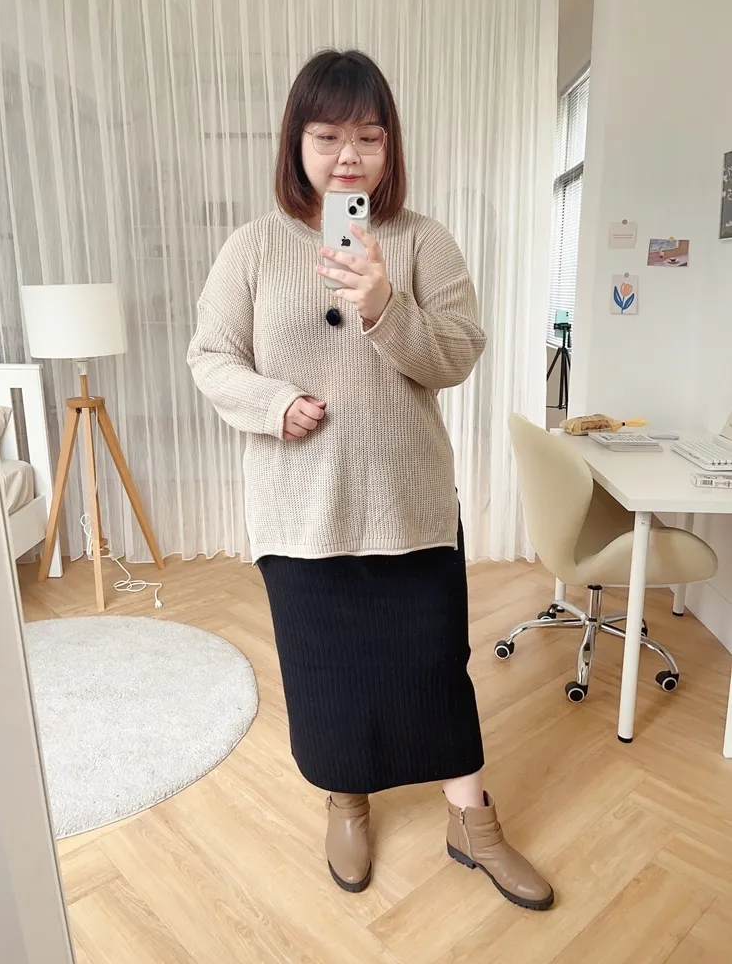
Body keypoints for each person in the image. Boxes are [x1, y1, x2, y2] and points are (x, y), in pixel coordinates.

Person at [187, 49, 553, 910]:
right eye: (327, 136)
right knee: (327, 674)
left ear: (391, 147)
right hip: (300, 511)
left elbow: (456, 355)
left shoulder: (424, 241)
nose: (348, 156)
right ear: (296, 143)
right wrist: (275, 403)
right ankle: (345, 801)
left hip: (408, 504)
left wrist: (386, 302)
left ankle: (472, 820)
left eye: (369, 137)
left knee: (437, 667)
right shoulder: (252, 247)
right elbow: (210, 356)